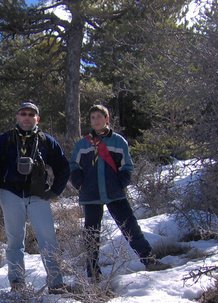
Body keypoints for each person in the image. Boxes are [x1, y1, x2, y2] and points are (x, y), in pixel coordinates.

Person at [69, 104, 170, 281]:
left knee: (130, 227)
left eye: (99, 117)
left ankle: (149, 260)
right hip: (91, 195)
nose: (96, 120)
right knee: (91, 234)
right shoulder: (82, 144)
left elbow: (127, 166)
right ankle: (93, 273)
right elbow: (73, 166)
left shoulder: (118, 141)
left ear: (106, 119)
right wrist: (79, 182)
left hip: (114, 193)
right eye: (92, 117)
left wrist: (120, 183)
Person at [0, 102, 70, 293]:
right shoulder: (4, 140)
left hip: (38, 196)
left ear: (37, 118)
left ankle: (56, 283)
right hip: (11, 194)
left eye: (31, 114)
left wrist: (55, 191)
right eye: (23, 113)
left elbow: (64, 167)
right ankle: (17, 283)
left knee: (48, 239)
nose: (27, 117)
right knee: (15, 240)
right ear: (17, 117)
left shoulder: (46, 141)